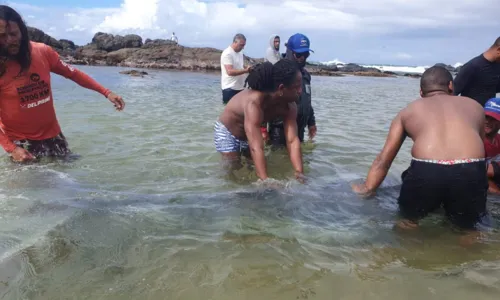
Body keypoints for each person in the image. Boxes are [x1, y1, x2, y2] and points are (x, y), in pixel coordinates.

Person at [352, 66, 488, 231]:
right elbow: (482, 152)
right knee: (468, 229)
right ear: (451, 86)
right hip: (470, 168)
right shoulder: (475, 106)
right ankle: (470, 252)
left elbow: (384, 160)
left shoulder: (407, 112)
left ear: (421, 92)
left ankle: (406, 251)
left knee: (408, 223)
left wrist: (368, 188)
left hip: (426, 170)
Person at [0, 5, 125, 162]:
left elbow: (73, 73)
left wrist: (106, 92)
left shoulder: (42, 52)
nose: (10, 40)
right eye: (2, 36)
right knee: (30, 185)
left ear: (23, 31)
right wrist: (12, 149)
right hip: (20, 143)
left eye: (14, 34)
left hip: (53, 135)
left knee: (69, 179)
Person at [213, 59, 305, 182]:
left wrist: (299, 173)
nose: (301, 91)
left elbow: (292, 141)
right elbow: (256, 147)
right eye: (296, 87)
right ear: (282, 88)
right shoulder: (255, 103)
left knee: (251, 166)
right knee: (234, 169)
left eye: (301, 85)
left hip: (248, 133)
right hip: (228, 132)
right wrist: (265, 181)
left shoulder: (290, 106)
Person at [267, 33, 317, 146]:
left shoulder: (305, 75)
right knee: (279, 161)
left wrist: (311, 123)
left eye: (306, 54)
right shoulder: (278, 72)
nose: (302, 58)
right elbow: (263, 100)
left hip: (300, 129)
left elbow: (307, 100)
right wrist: (262, 129)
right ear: (289, 51)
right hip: (280, 130)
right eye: (298, 54)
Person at [453, 36, 500, 107]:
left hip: (488, 114)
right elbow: (452, 93)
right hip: (470, 113)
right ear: (499, 50)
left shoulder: (497, 66)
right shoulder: (472, 67)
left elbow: (493, 88)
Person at [220, 33, 251, 105]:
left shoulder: (240, 52)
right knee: (229, 114)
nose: (243, 47)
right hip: (230, 89)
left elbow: (240, 66)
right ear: (235, 42)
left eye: (244, 45)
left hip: (240, 88)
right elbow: (230, 71)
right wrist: (245, 70)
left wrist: (248, 68)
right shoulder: (227, 53)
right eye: (241, 45)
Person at [483, 98, 500, 193]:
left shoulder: (498, 139)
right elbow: (478, 174)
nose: (487, 121)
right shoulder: (475, 142)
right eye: (485, 117)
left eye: (493, 118)